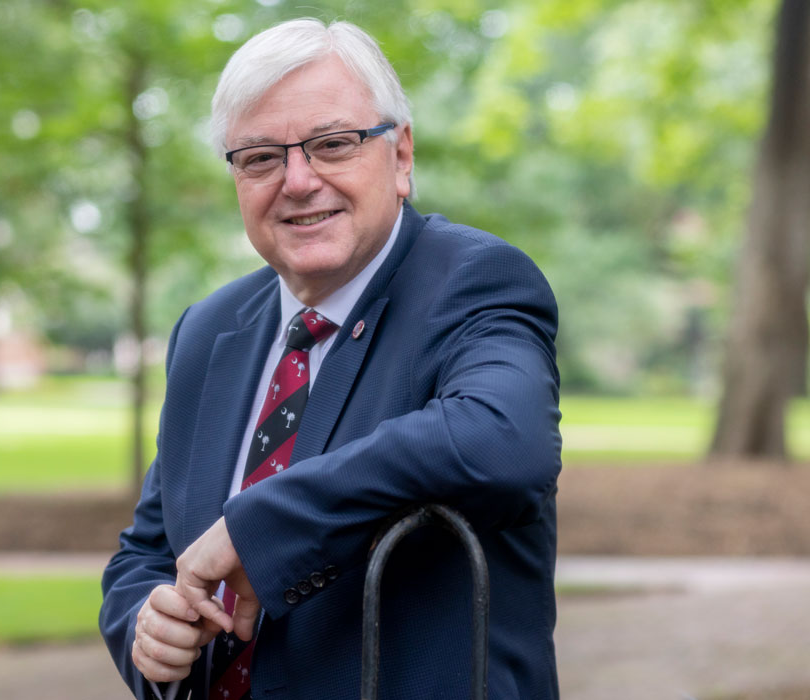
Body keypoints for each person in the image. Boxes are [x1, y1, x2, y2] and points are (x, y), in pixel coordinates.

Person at [100, 17, 561, 700]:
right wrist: (147, 619)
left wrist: (259, 531)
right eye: (259, 157)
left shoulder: (473, 282)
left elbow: (502, 439)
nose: (297, 180)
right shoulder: (208, 330)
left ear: (401, 156)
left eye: (333, 144)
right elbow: (148, 551)